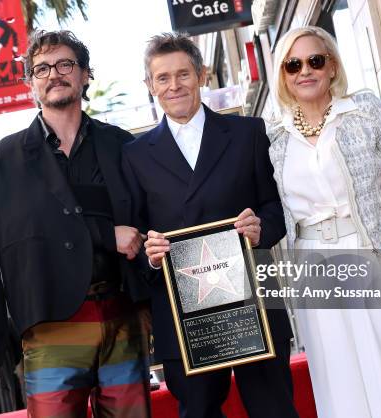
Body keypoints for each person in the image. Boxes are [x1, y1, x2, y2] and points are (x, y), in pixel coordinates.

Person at [0, 30, 151, 418]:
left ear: (84, 75)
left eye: (66, 64)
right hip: (50, 324)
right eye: (42, 68)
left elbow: (148, 220)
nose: (54, 74)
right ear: (30, 83)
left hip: (122, 317)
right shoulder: (2, 162)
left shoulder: (121, 145)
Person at [267, 25, 381, 418]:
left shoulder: (365, 110)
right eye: (293, 65)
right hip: (313, 267)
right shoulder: (274, 136)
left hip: (374, 256)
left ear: (332, 66)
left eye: (315, 60)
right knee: (340, 379)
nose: (304, 71)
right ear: (283, 76)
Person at [122, 33, 299, 418]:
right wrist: (150, 258)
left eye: (183, 74)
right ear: (150, 86)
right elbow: (134, 239)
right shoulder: (134, 157)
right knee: (199, 413)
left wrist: (261, 229)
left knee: (275, 409)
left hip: (253, 303)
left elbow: (276, 209)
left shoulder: (247, 133)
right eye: (163, 78)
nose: (174, 85)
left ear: (201, 75)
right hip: (183, 315)